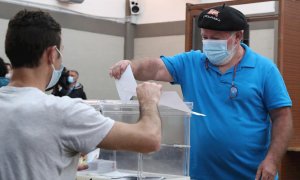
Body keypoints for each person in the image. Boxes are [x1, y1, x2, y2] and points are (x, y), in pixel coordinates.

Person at [110, 5, 293, 180]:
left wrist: (272, 160)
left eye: (216, 38)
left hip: (251, 175)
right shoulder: (192, 62)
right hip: (200, 174)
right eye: (205, 37)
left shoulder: (265, 69)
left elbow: (283, 118)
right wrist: (131, 66)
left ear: (238, 36)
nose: (209, 43)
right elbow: (156, 68)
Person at [0, 10, 163, 180]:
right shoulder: (63, 112)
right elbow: (149, 138)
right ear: (51, 54)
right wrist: (149, 101)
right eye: (60, 54)